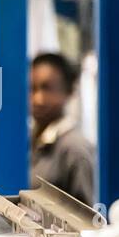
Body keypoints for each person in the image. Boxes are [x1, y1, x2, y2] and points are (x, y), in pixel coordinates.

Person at [30, 52, 94, 206]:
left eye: (47, 88)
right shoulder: (29, 141)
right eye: (32, 88)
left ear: (68, 91)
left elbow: (87, 220)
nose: (38, 99)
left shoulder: (75, 149)